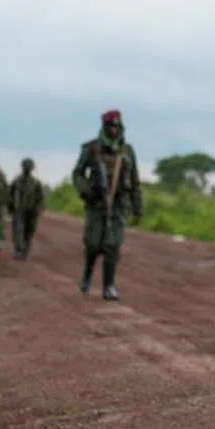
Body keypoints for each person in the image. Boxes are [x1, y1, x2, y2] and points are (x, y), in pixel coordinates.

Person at [71, 110, 142, 300]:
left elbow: (134, 180)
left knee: (112, 245)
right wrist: (86, 191)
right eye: (110, 126)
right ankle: (86, 276)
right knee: (93, 244)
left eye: (117, 127)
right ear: (104, 127)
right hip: (96, 204)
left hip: (119, 205)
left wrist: (137, 207)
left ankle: (109, 286)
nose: (114, 130)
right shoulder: (92, 149)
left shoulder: (127, 151)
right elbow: (77, 173)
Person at [9, 157, 45, 260]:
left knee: (29, 231)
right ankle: (18, 250)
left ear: (32, 168)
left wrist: (39, 208)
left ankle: (25, 251)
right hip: (19, 209)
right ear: (22, 167)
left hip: (31, 211)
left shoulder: (36, 182)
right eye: (26, 166)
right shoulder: (16, 181)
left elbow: (40, 197)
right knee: (18, 230)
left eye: (29, 167)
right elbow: (10, 194)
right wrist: (10, 206)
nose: (27, 168)